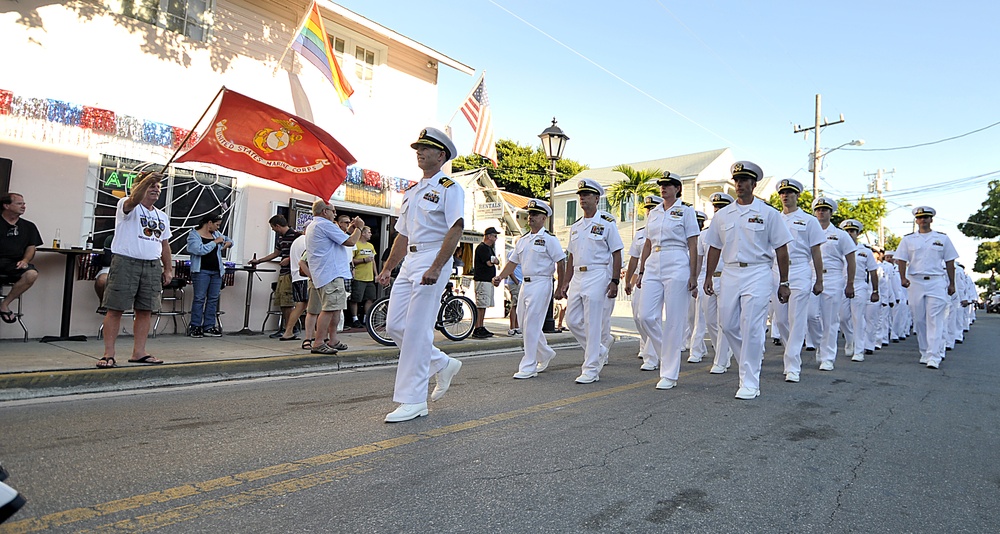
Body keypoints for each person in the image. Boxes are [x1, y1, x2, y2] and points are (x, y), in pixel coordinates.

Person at [376, 127, 465, 423]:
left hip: (432, 257)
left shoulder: (450, 189)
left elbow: (455, 229)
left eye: (426, 148)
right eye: (418, 148)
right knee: (395, 325)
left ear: (441, 155)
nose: (420, 152)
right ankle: (441, 362)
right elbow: (402, 234)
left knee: (416, 329)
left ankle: (413, 400)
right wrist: (389, 267)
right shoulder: (412, 192)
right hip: (411, 260)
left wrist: (437, 266)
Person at [702, 161, 792, 400]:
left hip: (758, 271)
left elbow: (782, 249)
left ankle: (750, 381)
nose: (739, 184)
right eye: (737, 180)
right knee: (728, 325)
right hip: (730, 273)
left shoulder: (768, 213)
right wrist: (709, 276)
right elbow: (714, 247)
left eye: (744, 180)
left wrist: (784, 282)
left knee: (752, 326)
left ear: (754, 184)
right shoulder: (722, 215)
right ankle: (749, 359)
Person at [97, 171, 173, 368]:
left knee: (145, 310)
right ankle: (108, 354)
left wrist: (168, 269)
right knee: (115, 308)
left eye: (158, 186)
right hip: (126, 262)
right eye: (151, 185)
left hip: (151, 264)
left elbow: (164, 244)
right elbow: (132, 201)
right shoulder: (126, 206)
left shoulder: (161, 216)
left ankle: (139, 352)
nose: (156, 189)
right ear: (139, 187)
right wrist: (146, 180)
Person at [555, 178, 624, 385]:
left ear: (597, 198)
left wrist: (614, 281)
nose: (582, 198)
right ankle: (599, 349)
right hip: (578, 275)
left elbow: (617, 253)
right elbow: (571, 256)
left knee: (593, 323)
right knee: (572, 321)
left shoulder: (606, 223)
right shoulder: (575, 227)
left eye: (586, 195)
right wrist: (565, 282)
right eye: (580, 195)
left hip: (597, 274)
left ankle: (591, 369)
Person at [636, 171, 700, 390]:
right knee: (645, 316)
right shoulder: (653, 213)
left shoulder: (686, 211)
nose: (663, 188)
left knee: (674, 320)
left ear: (678, 189)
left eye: (669, 185)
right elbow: (646, 243)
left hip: (677, 260)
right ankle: (667, 352)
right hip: (654, 260)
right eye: (661, 185)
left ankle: (670, 373)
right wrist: (641, 270)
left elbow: (693, 243)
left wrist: (693, 274)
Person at [492, 199, 566, 378]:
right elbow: (512, 262)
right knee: (524, 324)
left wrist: (561, 286)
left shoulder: (549, 239)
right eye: (530, 214)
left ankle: (529, 365)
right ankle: (545, 353)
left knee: (532, 323)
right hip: (525, 283)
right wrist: (500, 276)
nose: (531, 217)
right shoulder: (523, 240)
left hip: (542, 282)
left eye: (535, 215)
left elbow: (561, 261)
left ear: (544, 218)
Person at [771, 178, 825, 383]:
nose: (785, 196)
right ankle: (790, 352)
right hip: (776, 270)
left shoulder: (809, 220)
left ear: (797, 195)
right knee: (781, 319)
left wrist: (819, 279)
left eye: (790, 192)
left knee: (797, 318)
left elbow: (816, 251)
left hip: (800, 268)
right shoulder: (774, 218)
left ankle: (792, 365)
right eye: (782, 193)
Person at [894, 206, 959, 369]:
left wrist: (952, 283)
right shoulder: (908, 239)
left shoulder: (942, 238)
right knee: (919, 319)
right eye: (920, 218)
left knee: (935, 319)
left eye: (926, 217)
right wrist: (903, 277)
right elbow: (901, 259)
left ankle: (934, 355)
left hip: (936, 281)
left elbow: (950, 261)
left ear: (931, 220)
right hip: (915, 281)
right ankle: (924, 351)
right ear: (916, 220)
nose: (923, 220)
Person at [306, 201, 362, 354]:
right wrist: (360, 228)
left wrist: (351, 229)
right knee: (329, 309)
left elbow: (341, 237)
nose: (335, 214)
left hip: (329, 273)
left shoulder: (317, 225)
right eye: (333, 211)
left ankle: (333, 339)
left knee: (336, 308)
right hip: (330, 273)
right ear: (325, 211)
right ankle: (318, 342)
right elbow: (350, 241)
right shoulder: (324, 225)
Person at [807, 197, 856, 371]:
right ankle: (820, 343)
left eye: (825, 209)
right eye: (818, 209)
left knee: (830, 319)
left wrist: (850, 283)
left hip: (834, 278)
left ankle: (827, 356)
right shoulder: (808, 231)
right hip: (812, 276)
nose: (821, 212)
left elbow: (851, 260)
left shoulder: (841, 235)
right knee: (810, 315)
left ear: (831, 213)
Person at [624, 195, 662, 368]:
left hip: (658, 273)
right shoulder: (640, 233)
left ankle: (652, 354)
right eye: (648, 209)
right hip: (640, 275)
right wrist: (628, 281)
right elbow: (634, 258)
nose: (649, 212)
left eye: (653, 209)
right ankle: (649, 346)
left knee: (651, 316)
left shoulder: (662, 229)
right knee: (638, 316)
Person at [248, 215, 301, 338]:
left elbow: (305, 252)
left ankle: (290, 328)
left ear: (277, 225)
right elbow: (276, 253)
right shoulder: (281, 238)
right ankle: (286, 327)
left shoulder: (297, 236)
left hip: (291, 272)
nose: (273, 230)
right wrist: (259, 261)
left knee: (288, 302)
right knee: (282, 302)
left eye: (273, 227)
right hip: (283, 272)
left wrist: (289, 259)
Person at [703, 193, 735, 374]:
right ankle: (722, 350)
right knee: (710, 320)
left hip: (727, 277)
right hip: (711, 278)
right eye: (715, 208)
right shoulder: (707, 233)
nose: (717, 211)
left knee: (724, 320)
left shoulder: (734, 228)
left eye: (721, 208)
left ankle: (721, 359)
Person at [185, 213, 232, 338]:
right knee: (199, 298)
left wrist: (227, 243)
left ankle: (209, 326)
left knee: (213, 299)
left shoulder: (216, 234)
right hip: (201, 271)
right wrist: (215, 242)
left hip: (216, 271)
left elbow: (228, 240)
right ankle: (195, 326)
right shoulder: (194, 235)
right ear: (209, 223)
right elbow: (198, 250)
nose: (218, 228)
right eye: (216, 225)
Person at [838, 220, 879, 363]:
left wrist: (875, 290)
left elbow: (873, 272)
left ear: (858, 233)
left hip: (859, 284)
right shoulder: (838, 249)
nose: (849, 234)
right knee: (842, 317)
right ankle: (850, 340)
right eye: (847, 231)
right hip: (841, 284)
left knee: (858, 317)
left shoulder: (865, 251)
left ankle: (859, 350)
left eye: (852, 231)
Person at [0, 193, 41, 324]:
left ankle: (4, 304)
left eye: (24, 203)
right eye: (19, 203)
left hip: (14, 263)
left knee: (31, 274)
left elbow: (31, 247)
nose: (23, 206)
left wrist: (25, 261)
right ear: (6, 205)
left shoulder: (29, 226)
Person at [281, 230, 309, 342]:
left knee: (300, 305)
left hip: (296, 276)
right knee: (305, 306)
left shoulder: (297, 241)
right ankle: (289, 331)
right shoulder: (307, 241)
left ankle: (288, 331)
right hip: (304, 276)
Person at [472, 227, 501, 338]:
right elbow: (490, 262)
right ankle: (478, 327)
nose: (496, 238)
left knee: (484, 304)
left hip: (487, 280)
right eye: (494, 236)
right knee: (481, 304)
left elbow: (496, 261)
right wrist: (494, 261)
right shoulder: (482, 248)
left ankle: (481, 326)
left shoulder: (489, 249)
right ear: (488, 236)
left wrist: (495, 261)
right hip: (482, 280)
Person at [349, 226, 377, 328]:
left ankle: (366, 318)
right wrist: (363, 260)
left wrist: (376, 274)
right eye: (369, 232)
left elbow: (373, 261)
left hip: (369, 277)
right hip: (359, 277)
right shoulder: (355, 244)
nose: (370, 234)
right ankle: (354, 318)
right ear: (363, 233)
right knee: (356, 298)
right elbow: (351, 260)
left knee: (370, 298)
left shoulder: (370, 246)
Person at [94, 234, 115, 314]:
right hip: (112, 266)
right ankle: (103, 303)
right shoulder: (111, 238)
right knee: (101, 280)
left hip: (134, 268)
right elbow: (107, 260)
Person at [505, 262, 522, 335]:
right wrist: (516, 281)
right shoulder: (513, 254)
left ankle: (516, 326)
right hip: (516, 282)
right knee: (515, 304)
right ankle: (512, 327)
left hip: (521, 282)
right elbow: (510, 269)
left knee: (519, 305)